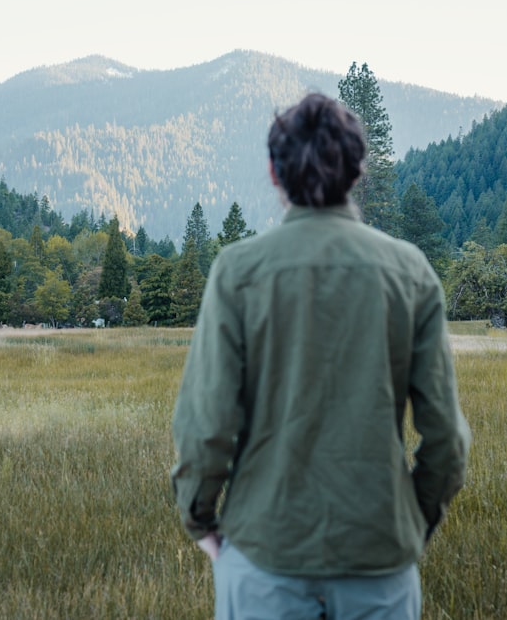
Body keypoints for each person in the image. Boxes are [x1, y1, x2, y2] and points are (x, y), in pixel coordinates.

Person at [170, 92, 470, 619]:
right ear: (357, 171)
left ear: (272, 172)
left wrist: (201, 520)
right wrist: (411, 523)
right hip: (380, 558)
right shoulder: (411, 272)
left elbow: (205, 424)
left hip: (264, 554)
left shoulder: (238, 271)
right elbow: (446, 436)